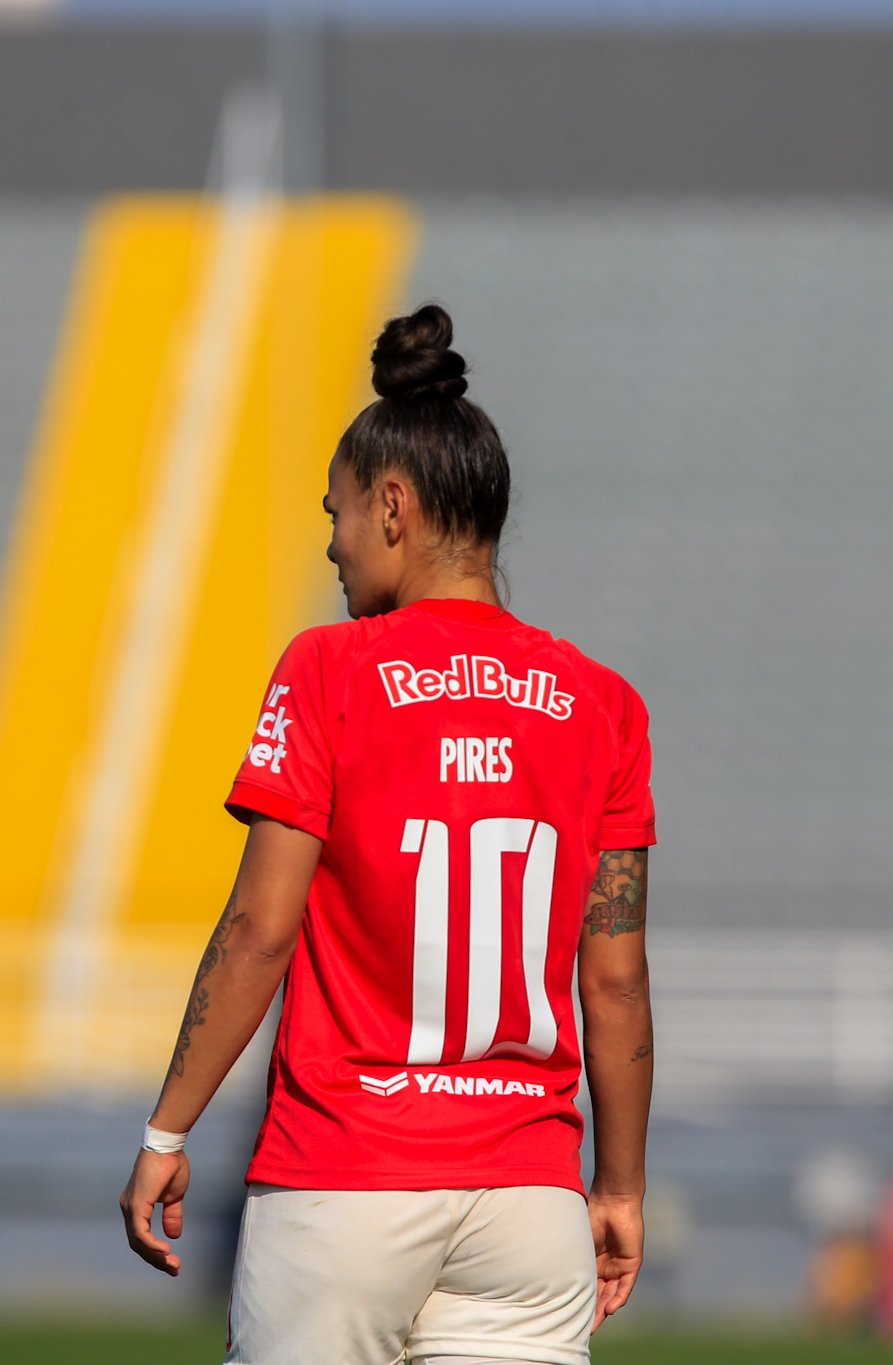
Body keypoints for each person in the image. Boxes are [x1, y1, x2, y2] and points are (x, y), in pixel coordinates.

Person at [119, 304, 657, 1365]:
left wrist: (165, 1130)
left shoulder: (326, 672)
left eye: (338, 513)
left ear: (393, 507)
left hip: (342, 1181)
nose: (331, 540)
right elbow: (615, 983)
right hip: (525, 1202)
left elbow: (258, 932)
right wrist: (621, 1188)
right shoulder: (605, 705)